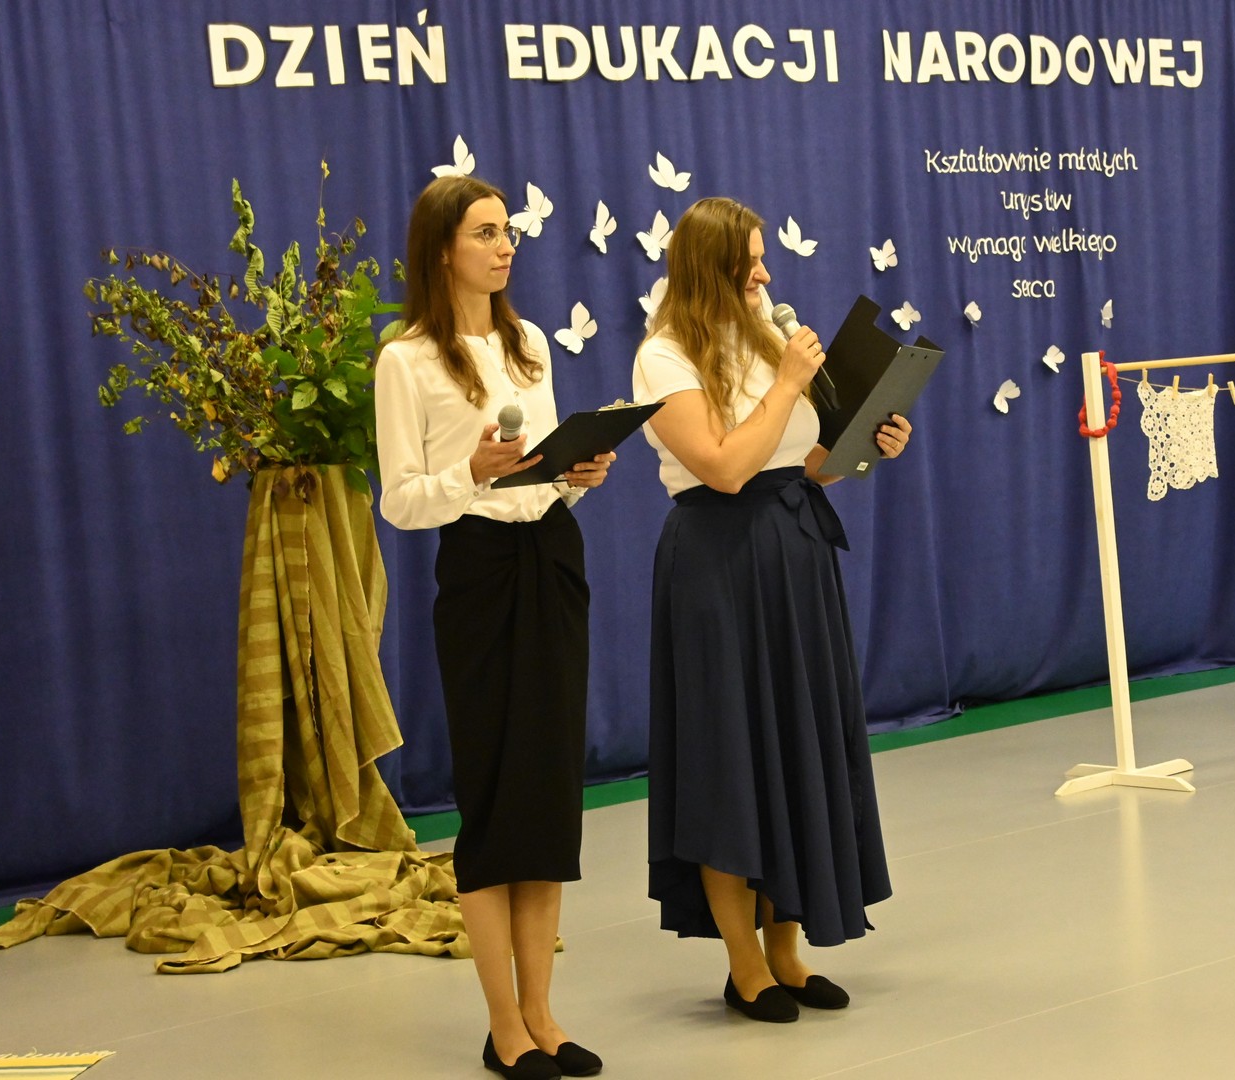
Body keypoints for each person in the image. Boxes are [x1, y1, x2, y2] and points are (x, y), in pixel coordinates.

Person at [632, 196, 911, 1024]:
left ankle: (787, 951)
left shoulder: (761, 335)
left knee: (793, 747)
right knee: (730, 758)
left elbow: (801, 461)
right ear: (707, 268)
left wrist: (865, 447)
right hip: (718, 563)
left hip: (793, 552)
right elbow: (724, 467)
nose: (762, 273)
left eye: (761, 257)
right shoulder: (663, 356)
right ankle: (744, 964)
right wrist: (789, 381)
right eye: (747, 261)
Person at [374, 175, 614, 1080]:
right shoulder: (406, 359)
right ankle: (502, 1024)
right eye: (484, 232)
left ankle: (543, 1015)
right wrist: (471, 473)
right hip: (477, 571)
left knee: (548, 793)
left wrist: (575, 476)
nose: (505, 244)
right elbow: (401, 501)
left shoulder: (530, 342)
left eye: (507, 230)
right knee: (494, 794)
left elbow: (541, 472)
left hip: (551, 555)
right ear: (443, 250)